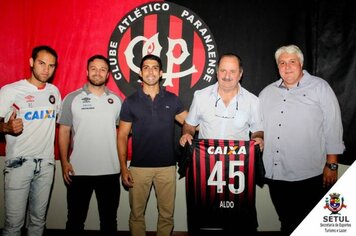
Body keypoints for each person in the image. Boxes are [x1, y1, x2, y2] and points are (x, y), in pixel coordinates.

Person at [259, 44, 345, 236]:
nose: (287, 67)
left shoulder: (320, 87)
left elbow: (333, 126)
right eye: (282, 63)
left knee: (309, 225)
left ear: (301, 63)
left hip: (309, 174)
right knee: (286, 221)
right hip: (277, 173)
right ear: (277, 66)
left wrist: (332, 164)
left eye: (292, 62)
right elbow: (258, 128)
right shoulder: (266, 93)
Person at [179, 53, 263, 234]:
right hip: (206, 171)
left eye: (232, 71)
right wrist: (187, 134)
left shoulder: (252, 101)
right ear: (217, 72)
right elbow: (190, 124)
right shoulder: (201, 96)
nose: (227, 75)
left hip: (237, 172)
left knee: (237, 223)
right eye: (223, 70)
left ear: (240, 74)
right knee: (205, 222)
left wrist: (259, 138)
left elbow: (257, 130)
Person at [117, 54, 188, 236]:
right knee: (136, 215)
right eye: (146, 67)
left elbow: (190, 123)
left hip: (167, 167)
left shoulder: (172, 99)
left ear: (161, 72)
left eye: (155, 67)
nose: (150, 71)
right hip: (139, 168)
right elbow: (122, 136)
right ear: (140, 73)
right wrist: (124, 168)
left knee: (166, 216)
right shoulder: (130, 101)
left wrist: (191, 131)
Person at [57, 55, 122, 236]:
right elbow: (63, 132)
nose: (97, 72)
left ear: (108, 74)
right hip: (79, 171)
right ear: (87, 71)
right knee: (75, 220)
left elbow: (124, 134)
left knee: (109, 221)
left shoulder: (116, 101)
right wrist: (64, 163)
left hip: (110, 170)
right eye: (93, 68)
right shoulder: (72, 98)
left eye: (102, 69)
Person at [0, 45, 61, 236]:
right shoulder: (11, 90)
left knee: (38, 223)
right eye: (42, 63)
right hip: (19, 163)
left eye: (51, 66)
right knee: (13, 225)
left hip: (46, 164)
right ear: (31, 62)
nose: (46, 69)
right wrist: (5, 127)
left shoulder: (54, 92)